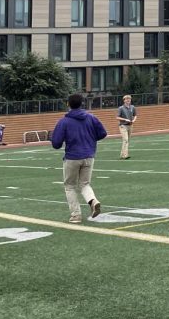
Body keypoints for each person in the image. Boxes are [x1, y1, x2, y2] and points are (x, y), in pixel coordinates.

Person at [50, 94, 106, 224]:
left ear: (68, 104)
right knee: (84, 184)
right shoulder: (91, 117)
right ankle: (93, 201)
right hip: (89, 155)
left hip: (72, 157)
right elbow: (102, 133)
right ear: (82, 104)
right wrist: (90, 140)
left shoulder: (64, 121)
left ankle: (76, 215)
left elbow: (56, 143)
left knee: (69, 186)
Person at [117, 94, 137, 159]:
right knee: (125, 139)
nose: (128, 100)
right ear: (124, 100)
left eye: (129, 99)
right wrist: (125, 119)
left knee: (127, 140)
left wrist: (134, 120)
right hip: (123, 125)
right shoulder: (121, 108)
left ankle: (122, 155)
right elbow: (117, 117)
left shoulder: (132, 107)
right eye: (127, 99)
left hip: (130, 125)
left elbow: (135, 115)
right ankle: (125, 155)